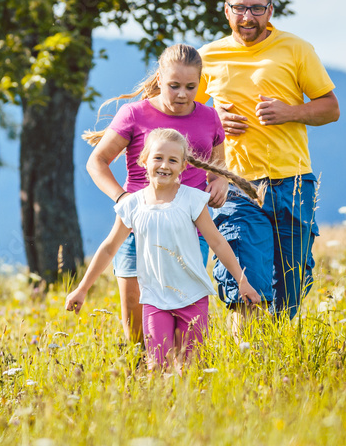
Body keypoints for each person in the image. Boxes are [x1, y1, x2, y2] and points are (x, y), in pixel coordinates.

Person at [196, 0, 340, 327]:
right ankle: (246, 355)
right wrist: (214, 118)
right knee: (245, 284)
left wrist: (290, 112)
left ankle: (276, 353)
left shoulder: (297, 49)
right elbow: (180, 114)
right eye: (240, 8)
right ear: (226, 10)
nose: (248, 17)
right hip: (236, 186)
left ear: (270, 10)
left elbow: (331, 108)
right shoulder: (207, 57)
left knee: (290, 289)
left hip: (293, 183)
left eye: (256, 8)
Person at [65, 129, 261, 368]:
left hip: (192, 298)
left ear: (183, 166)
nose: (164, 165)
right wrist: (82, 289)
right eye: (158, 158)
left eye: (173, 160)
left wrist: (242, 281)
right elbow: (108, 248)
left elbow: (217, 242)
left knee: (192, 367)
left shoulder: (192, 199)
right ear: (144, 160)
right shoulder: (132, 204)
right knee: (158, 366)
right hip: (154, 300)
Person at [84, 44, 227, 343]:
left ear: (200, 82)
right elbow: (96, 162)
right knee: (138, 329)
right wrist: (122, 198)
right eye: (174, 86)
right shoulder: (134, 114)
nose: (182, 95)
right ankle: (142, 370)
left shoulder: (210, 118)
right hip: (137, 230)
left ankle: (181, 372)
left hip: (189, 233)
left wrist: (219, 182)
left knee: (184, 325)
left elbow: (217, 168)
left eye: (191, 87)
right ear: (159, 79)